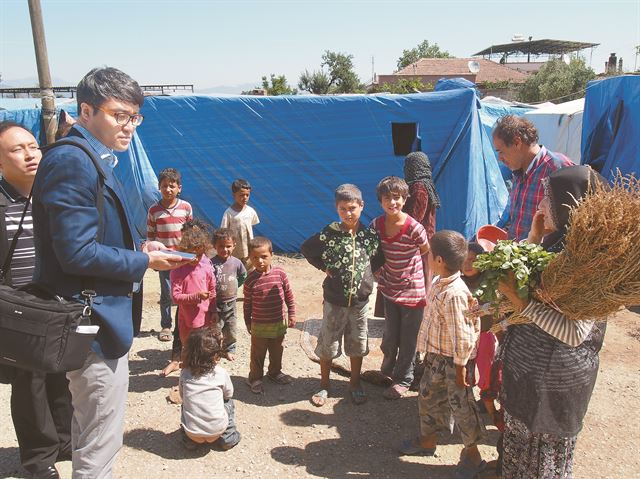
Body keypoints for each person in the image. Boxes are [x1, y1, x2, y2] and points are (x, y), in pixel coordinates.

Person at [31, 67, 185, 478]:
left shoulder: (92, 156)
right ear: (86, 110)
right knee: (100, 445)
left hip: (95, 318)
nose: (129, 125)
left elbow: (85, 237)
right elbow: (76, 253)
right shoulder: (73, 162)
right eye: (119, 115)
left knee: (90, 431)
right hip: (92, 326)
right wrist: (143, 262)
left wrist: (137, 247)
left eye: (134, 117)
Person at [497, 165, 607, 479]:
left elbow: (575, 334)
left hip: (556, 386)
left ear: (569, 204)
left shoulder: (589, 263)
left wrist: (523, 305)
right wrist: (533, 237)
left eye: (548, 199)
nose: (541, 207)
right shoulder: (555, 245)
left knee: (542, 466)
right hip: (528, 377)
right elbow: (519, 274)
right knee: (517, 458)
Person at [0, 121, 72, 479]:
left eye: (33, 146)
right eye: (17, 149)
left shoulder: (54, 193)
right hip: (17, 307)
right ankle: (38, 460)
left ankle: (64, 440)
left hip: (56, 302)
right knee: (29, 383)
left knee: (61, 372)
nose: (30, 154)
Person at [403, 230, 485, 479]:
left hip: (454, 363)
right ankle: (427, 440)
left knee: (461, 406)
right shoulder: (440, 283)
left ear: (439, 260)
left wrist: (461, 368)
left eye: (429, 254)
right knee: (427, 396)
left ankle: (473, 455)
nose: (426, 258)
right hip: (438, 358)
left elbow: (463, 335)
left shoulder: (455, 293)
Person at [300, 184, 384, 407]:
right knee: (328, 342)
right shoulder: (330, 234)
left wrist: (365, 278)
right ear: (337, 209)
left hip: (360, 303)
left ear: (361, 206)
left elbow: (378, 259)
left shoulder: (369, 236)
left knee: (358, 343)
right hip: (334, 301)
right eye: (343, 209)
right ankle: (324, 385)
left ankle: (355, 383)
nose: (348, 213)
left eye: (353, 208)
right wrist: (323, 267)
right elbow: (307, 249)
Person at [372, 176, 430, 400]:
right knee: (389, 336)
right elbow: (373, 251)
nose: (392, 203)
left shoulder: (414, 228)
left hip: (412, 290)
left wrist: (420, 280)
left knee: (408, 339)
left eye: (396, 198)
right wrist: (377, 271)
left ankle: (404, 380)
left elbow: (425, 251)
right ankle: (387, 371)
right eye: (387, 198)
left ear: (405, 200)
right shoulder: (376, 225)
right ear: (380, 201)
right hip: (389, 287)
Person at [492, 115, 573, 241]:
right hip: (516, 256)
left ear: (517, 142)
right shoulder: (518, 172)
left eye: (501, 151)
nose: (500, 158)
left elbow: (571, 224)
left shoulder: (557, 168)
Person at [243, 236, 296, 394]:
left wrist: (292, 313)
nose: (259, 261)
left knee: (276, 349)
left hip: (278, 322)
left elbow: (289, 295)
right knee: (258, 353)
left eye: (264, 256)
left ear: (272, 254)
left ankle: (274, 373)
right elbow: (247, 304)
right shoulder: (250, 280)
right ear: (250, 258)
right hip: (259, 325)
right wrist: (248, 322)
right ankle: (255, 378)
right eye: (255, 257)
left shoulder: (280, 273)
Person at [147, 167, 193, 341]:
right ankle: (166, 326)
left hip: (183, 258)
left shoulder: (186, 207)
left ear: (179, 188)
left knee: (185, 292)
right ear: (159, 187)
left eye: (172, 186)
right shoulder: (153, 210)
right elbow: (150, 236)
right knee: (166, 293)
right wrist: (152, 258)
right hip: (164, 259)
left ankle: (185, 323)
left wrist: (191, 254)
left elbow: (190, 233)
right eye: (164, 186)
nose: (168, 189)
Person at [179, 326, 241, 451]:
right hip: (216, 431)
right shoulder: (220, 373)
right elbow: (229, 394)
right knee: (228, 402)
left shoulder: (185, 373)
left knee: (185, 403)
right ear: (215, 355)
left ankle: (189, 440)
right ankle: (228, 437)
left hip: (193, 433)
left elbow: (182, 395)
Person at [171, 219, 216, 348]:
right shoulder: (178, 269)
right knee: (189, 347)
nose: (196, 259)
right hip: (186, 319)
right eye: (191, 254)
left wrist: (214, 311)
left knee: (203, 347)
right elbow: (175, 297)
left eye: (199, 254)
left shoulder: (206, 265)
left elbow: (212, 290)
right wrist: (196, 296)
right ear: (184, 250)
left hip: (205, 318)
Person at [211, 227, 247, 360]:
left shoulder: (236, 263)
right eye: (221, 246)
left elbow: (243, 275)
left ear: (234, 246)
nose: (224, 249)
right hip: (216, 303)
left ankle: (229, 349)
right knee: (216, 328)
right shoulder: (211, 263)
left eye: (228, 246)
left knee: (231, 327)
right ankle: (215, 350)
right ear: (214, 246)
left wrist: (236, 285)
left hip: (231, 302)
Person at [220, 178, 260, 270]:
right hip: (235, 250)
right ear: (234, 195)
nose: (245, 197)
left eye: (247, 195)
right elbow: (224, 231)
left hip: (248, 249)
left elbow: (251, 225)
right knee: (234, 270)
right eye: (242, 195)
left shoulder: (251, 211)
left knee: (249, 270)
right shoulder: (229, 213)